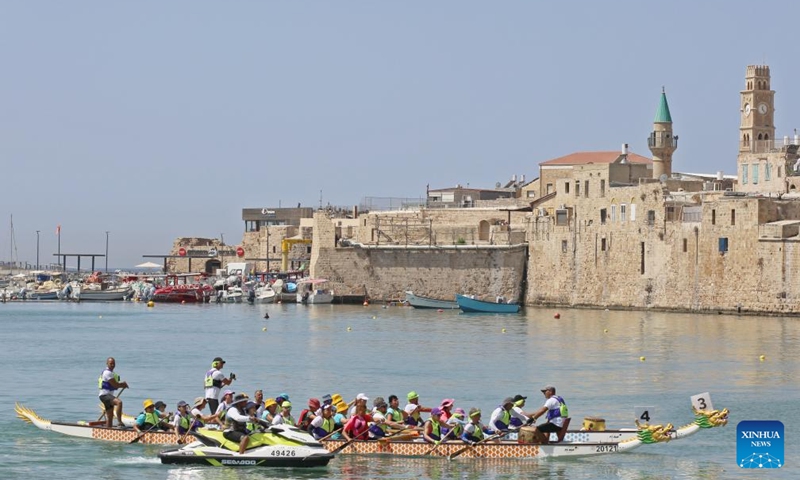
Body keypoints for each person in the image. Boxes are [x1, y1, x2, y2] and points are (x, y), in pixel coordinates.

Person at [98, 357, 129, 428]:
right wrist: (123, 384)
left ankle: (108, 430)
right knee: (119, 402)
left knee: (110, 416)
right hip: (105, 395)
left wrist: (121, 385)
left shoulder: (112, 373)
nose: (112, 365)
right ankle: (120, 422)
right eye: (110, 363)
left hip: (106, 396)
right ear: (107, 364)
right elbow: (115, 385)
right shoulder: (107, 373)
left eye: (113, 363)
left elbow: (116, 385)